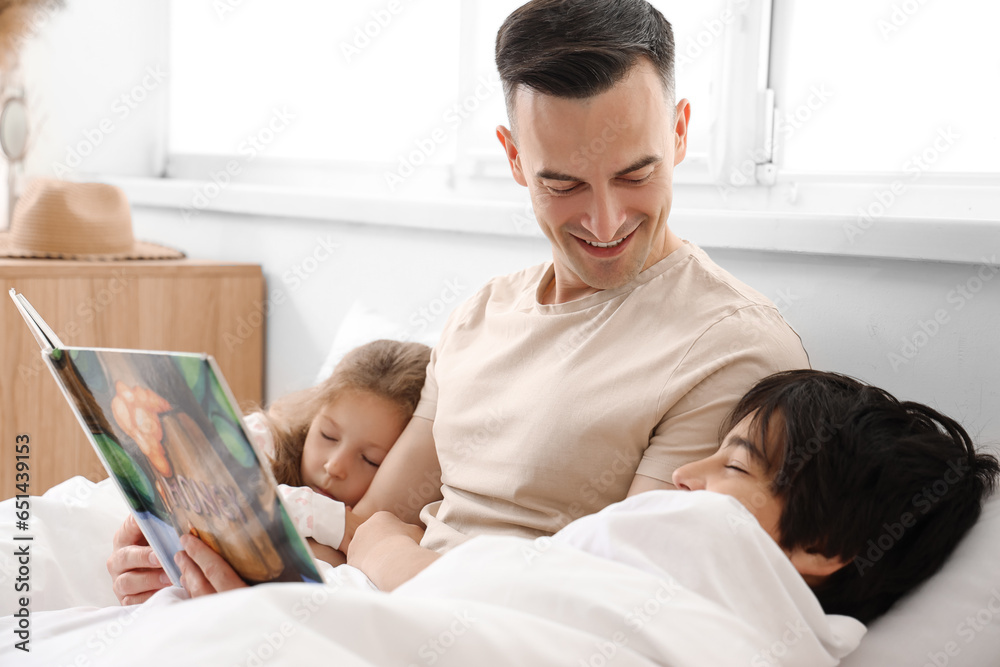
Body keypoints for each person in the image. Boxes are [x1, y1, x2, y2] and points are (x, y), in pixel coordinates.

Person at [109, 0, 810, 602]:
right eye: (563, 184)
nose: (605, 220)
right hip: (386, 611)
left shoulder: (731, 347)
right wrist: (219, 563)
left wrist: (383, 555)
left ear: (681, 132)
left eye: (637, 173)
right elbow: (367, 528)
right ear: (512, 159)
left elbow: (620, 598)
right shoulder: (480, 316)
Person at [342, 370, 999, 627]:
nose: (686, 473)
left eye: (736, 464)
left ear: (825, 546)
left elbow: (494, 597)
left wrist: (384, 547)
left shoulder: (705, 546)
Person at [108, 339, 430, 604]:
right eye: (328, 436)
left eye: (370, 460)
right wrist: (332, 518)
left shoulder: (383, 535)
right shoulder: (265, 437)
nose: (335, 466)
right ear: (313, 415)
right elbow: (230, 489)